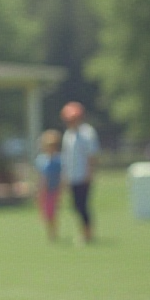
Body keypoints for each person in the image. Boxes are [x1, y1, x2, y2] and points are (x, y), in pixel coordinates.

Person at [60, 102, 99, 244]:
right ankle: (83, 231)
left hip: (83, 176)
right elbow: (66, 158)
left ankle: (88, 233)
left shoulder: (87, 133)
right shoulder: (68, 135)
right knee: (75, 205)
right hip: (72, 176)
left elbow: (91, 156)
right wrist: (64, 177)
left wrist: (89, 174)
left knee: (83, 205)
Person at [34, 129, 63, 241]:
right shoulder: (41, 160)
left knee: (52, 212)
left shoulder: (58, 160)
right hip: (43, 190)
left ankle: (53, 232)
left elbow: (61, 176)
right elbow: (39, 176)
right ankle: (49, 232)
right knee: (45, 212)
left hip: (53, 190)